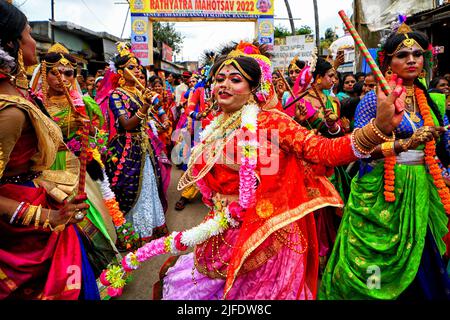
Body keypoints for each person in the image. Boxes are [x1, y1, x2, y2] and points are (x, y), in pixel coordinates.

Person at [101, 40, 408, 300]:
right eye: (219, 78)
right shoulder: (215, 125)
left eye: (235, 79)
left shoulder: (270, 122)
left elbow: (322, 151)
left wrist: (377, 129)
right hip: (221, 227)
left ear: (252, 89)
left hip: (266, 234)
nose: (224, 84)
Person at [320, 22, 450, 300]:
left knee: (424, 256)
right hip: (383, 190)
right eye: (403, 55)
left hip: (422, 190)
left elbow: (443, 148)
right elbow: (361, 148)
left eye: (417, 54)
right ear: (388, 62)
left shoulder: (434, 101)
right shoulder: (372, 100)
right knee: (375, 258)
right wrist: (406, 143)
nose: (412, 59)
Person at [0, 0, 101, 299]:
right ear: (12, 44)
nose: (34, 42)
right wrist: (47, 218)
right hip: (25, 217)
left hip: (42, 189)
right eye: (29, 33)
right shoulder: (10, 111)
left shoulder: (19, 94)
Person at [32, 43, 121, 268]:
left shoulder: (84, 104)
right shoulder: (35, 104)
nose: (61, 77)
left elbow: (99, 137)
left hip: (76, 164)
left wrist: (88, 129)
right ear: (44, 73)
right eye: (55, 72)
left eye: (68, 73)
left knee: (88, 212)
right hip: (46, 169)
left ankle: (96, 268)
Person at [104, 43, 168, 243]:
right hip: (127, 147)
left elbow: (152, 115)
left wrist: (162, 119)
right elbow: (127, 124)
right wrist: (146, 106)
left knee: (149, 184)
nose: (137, 71)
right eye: (131, 68)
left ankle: (151, 226)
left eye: (138, 68)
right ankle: (133, 232)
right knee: (128, 188)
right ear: (121, 72)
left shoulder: (140, 93)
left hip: (145, 146)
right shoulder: (116, 95)